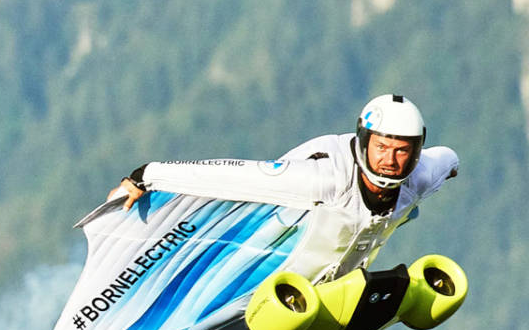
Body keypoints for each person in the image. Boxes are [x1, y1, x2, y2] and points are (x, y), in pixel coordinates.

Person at [108, 94, 459, 282]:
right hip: (266, 265)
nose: (390, 160)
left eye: (402, 151)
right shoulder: (324, 179)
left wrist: (453, 169)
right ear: (365, 141)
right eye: (381, 147)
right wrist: (145, 176)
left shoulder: (421, 176)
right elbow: (234, 176)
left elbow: (449, 158)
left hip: (333, 282)